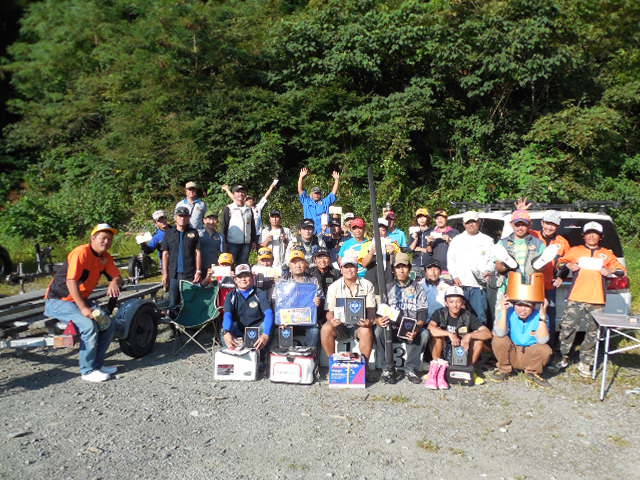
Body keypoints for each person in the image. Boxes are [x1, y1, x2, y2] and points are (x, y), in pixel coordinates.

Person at [44, 224, 123, 382]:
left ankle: (97, 366)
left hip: (79, 300)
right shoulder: (81, 253)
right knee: (89, 326)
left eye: (109, 239)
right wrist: (84, 308)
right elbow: (71, 281)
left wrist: (114, 281)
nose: (106, 242)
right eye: (103, 238)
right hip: (59, 300)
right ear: (93, 238)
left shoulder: (105, 257)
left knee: (107, 323)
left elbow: (117, 276)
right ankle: (87, 371)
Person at [553, 221, 626, 377]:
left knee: (593, 333)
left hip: (597, 299)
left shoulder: (607, 253)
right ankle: (563, 357)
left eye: (595, 234)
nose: (592, 236)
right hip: (575, 298)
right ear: (584, 236)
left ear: (600, 237)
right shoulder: (575, 250)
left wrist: (610, 270)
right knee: (566, 329)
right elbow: (559, 263)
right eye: (588, 233)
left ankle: (585, 363)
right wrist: (569, 266)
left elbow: (621, 270)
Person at [375, 253, 429, 384]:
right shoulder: (386, 287)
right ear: (393, 269)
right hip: (391, 327)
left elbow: (422, 314)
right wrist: (378, 320)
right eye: (398, 267)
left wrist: (416, 329)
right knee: (378, 331)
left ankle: (411, 368)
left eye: (404, 267)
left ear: (409, 269)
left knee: (424, 334)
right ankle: (386, 368)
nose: (401, 270)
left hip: (410, 327)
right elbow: (378, 313)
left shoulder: (418, 287)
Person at [321, 254, 376, 363]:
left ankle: (364, 367)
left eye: (352, 266)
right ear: (341, 270)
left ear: (357, 268)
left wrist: (368, 321)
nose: (349, 270)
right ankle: (333, 364)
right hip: (340, 325)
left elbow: (371, 309)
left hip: (359, 325)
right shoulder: (333, 287)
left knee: (366, 330)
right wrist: (332, 320)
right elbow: (329, 311)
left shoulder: (367, 285)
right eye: (346, 267)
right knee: (326, 328)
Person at [428, 286, 492, 372]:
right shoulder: (439, 313)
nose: (455, 305)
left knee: (478, 340)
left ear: (463, 303)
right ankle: (437, 368)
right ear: (446, 303)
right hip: (444, 349)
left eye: (458, 302)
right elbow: (430, 328)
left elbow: (487, 333)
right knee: (436, 336)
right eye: (451, 302)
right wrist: (449, 334)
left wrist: (469, 335)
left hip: (462, 349)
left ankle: (468, 369)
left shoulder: (468, 315)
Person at [530, 210, 570, 348]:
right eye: (547, 223)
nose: (549, 227)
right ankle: (530, 344)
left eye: (553, 224)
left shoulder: (562, 242)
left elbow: (566, 263)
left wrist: (561, 277)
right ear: (542, 223)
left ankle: (549, 346)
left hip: (549, 286)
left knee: (549, 317)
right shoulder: (532, 235)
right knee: (529, 314)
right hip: (531, 284)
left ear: (557, 226)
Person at [490, 298, 552, 387]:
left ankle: (532, 373)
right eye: (519, 305)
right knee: (499, 339)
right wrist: (503, 311)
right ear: (514, 305)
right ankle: (504, 369)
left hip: (529, 356)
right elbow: (500, 333)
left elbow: (543, 340)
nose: (522, 309)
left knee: (545, 349)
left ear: (534, 307)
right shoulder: (509, 312)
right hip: (512, 353)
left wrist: (542, 318)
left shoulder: (540, 315)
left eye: (527, 306)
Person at [447, 211, 495, 325]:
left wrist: (489, 271)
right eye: (468, 222)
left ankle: (480, 340)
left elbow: (493, 260)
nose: (471, 225)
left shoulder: (488, 240)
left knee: (480, 317)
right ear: (464, 224)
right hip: (461, 285)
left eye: (473, 222)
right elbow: (450, 260)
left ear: (479, 222)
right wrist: (455, 276)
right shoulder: (457, 240)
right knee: (461, 317)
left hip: (479, 287)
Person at [275, 250, 324, 347]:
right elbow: (276, 302)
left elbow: (321, 298)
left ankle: (310, 357)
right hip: (288, 320)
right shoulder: (282, 282)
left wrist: (319, 302)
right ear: (289, 265)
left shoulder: (313, 280)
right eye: (294, 262)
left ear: (306, 264)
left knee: (314, 330)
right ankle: (286, 357)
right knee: (281, 330)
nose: (298, 265)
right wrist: (281, 319)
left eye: (301, 262)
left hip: (308, 320)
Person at [221, 264, 273, 353]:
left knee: (267, 327)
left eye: (246, 276)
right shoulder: (231, 295)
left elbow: (269, 313)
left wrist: (266, 334)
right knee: (224, 331)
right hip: (238, 330)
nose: (243, 279)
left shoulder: (260, 293)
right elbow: (227, 315)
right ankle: (234, 355)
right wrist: (226, 332)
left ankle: (262, 356)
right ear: (235, 280)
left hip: (257, 330)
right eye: (240, 276)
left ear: (252, 277)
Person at [161, 206, 203, 313]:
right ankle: (175, 328)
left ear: (189, 218)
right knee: (173, 303)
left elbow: (198, 252)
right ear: (175, 217)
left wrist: (198, 270)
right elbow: (165, 254)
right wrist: (165, 274)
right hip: (173, 275)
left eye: (185, 216)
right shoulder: (168, 233)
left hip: (189, 274)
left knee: (190, 302)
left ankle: (190, 327)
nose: (182, 218)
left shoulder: (194, 233)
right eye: (180, 216)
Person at [359, 217, 400, 294]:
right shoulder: (367, 244)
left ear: (387, 231)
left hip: (388, 281)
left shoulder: (394, 245)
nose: (380, 232)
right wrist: (371, 252)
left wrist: (392, 254)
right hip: (371, 281)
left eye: (383, 230)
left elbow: (396, 265)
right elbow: (364, 264)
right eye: (378, 229)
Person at [221, 184, 257, 266]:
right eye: (238, 192)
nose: (240, 194)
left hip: (246, 244)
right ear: (233, 194)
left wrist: (254, 240)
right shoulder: (229, 208)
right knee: (229, 266)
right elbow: (223, 227)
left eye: (242, 192)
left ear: (245, 194)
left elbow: (252, 226)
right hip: (232, 244)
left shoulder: (249, 209)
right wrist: (224, 243)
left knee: (243, 266)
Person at [297, 167, 340, 235]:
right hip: (310, 232)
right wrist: (301, 177)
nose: (316, 195)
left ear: (321, 194)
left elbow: (333, 192)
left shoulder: (325, 202)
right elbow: (300, 190)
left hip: (324, 232)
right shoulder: (306, 201)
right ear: (311, 194)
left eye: (318, 193)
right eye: (315, 193)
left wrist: (337, 180)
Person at [409, 208, 432, 276]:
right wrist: (415, 239)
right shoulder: (413, 232)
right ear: (417, 219)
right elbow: (410, 249)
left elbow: (432, 251)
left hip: (429, 266)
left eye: (423, 217)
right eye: (419, 217)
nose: (421, 219)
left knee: (429, 285)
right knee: (412, 284)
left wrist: (421, 249)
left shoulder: (432, 231)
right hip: (415, 265)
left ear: (427, 218)